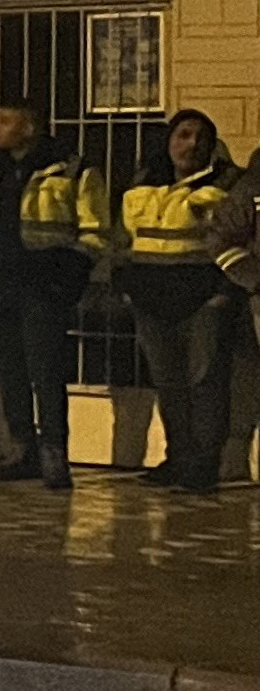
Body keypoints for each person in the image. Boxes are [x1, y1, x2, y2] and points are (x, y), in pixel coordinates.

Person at [0, 97, 113, 489]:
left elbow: (95, 230)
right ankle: (22, 449)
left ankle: (55, 453)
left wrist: (67, 277)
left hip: (43, 290)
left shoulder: (71, 168)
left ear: (30, 128)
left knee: (46, 373)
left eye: (5, 121)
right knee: (11, 373)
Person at [116, 109, 241, 492]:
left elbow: (239, 242)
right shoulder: (144, 187)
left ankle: (204, 465)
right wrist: (127, 286)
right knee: (169, 385)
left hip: (203, 301)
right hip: (153, 302)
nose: (191, 144)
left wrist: (225, 293)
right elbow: (122, 242)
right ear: (168, 141)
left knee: (205, 384)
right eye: (183, 135)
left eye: (200, 137)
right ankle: (178, 457)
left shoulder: (225, 185)